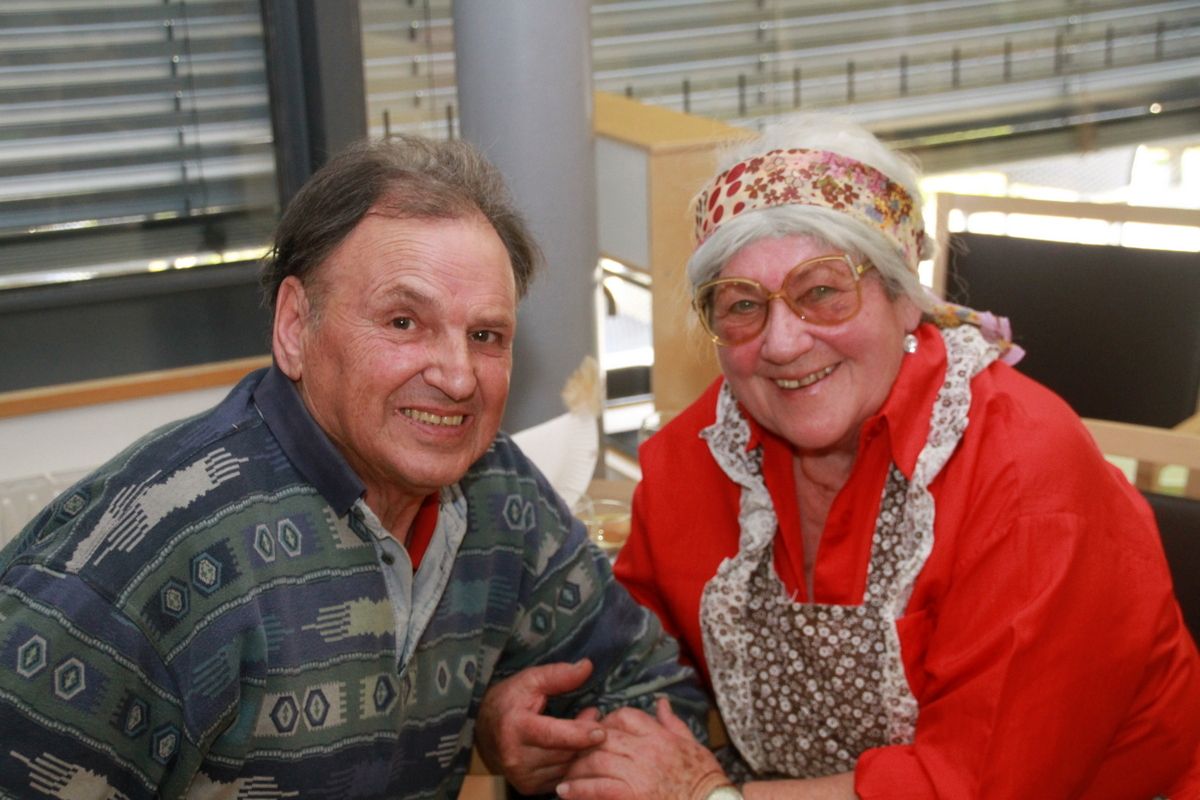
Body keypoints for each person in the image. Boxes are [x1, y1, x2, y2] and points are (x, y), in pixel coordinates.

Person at [0, 135, 705, 799]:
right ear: (294, 328)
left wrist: (527, 735)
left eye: (486, 335)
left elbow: (655, 698)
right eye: (403, 322)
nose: (459, 376)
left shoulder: (497, 491)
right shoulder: (138, 565)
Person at [554, 115, 1200, 799]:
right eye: (742, 306)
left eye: (822, 291)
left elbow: (977, 784)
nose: (782, 343)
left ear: (904, 297)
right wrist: (565, 730)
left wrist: (705, 796)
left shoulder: (1026, 477)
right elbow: (633, 658)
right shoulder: (699, 456)